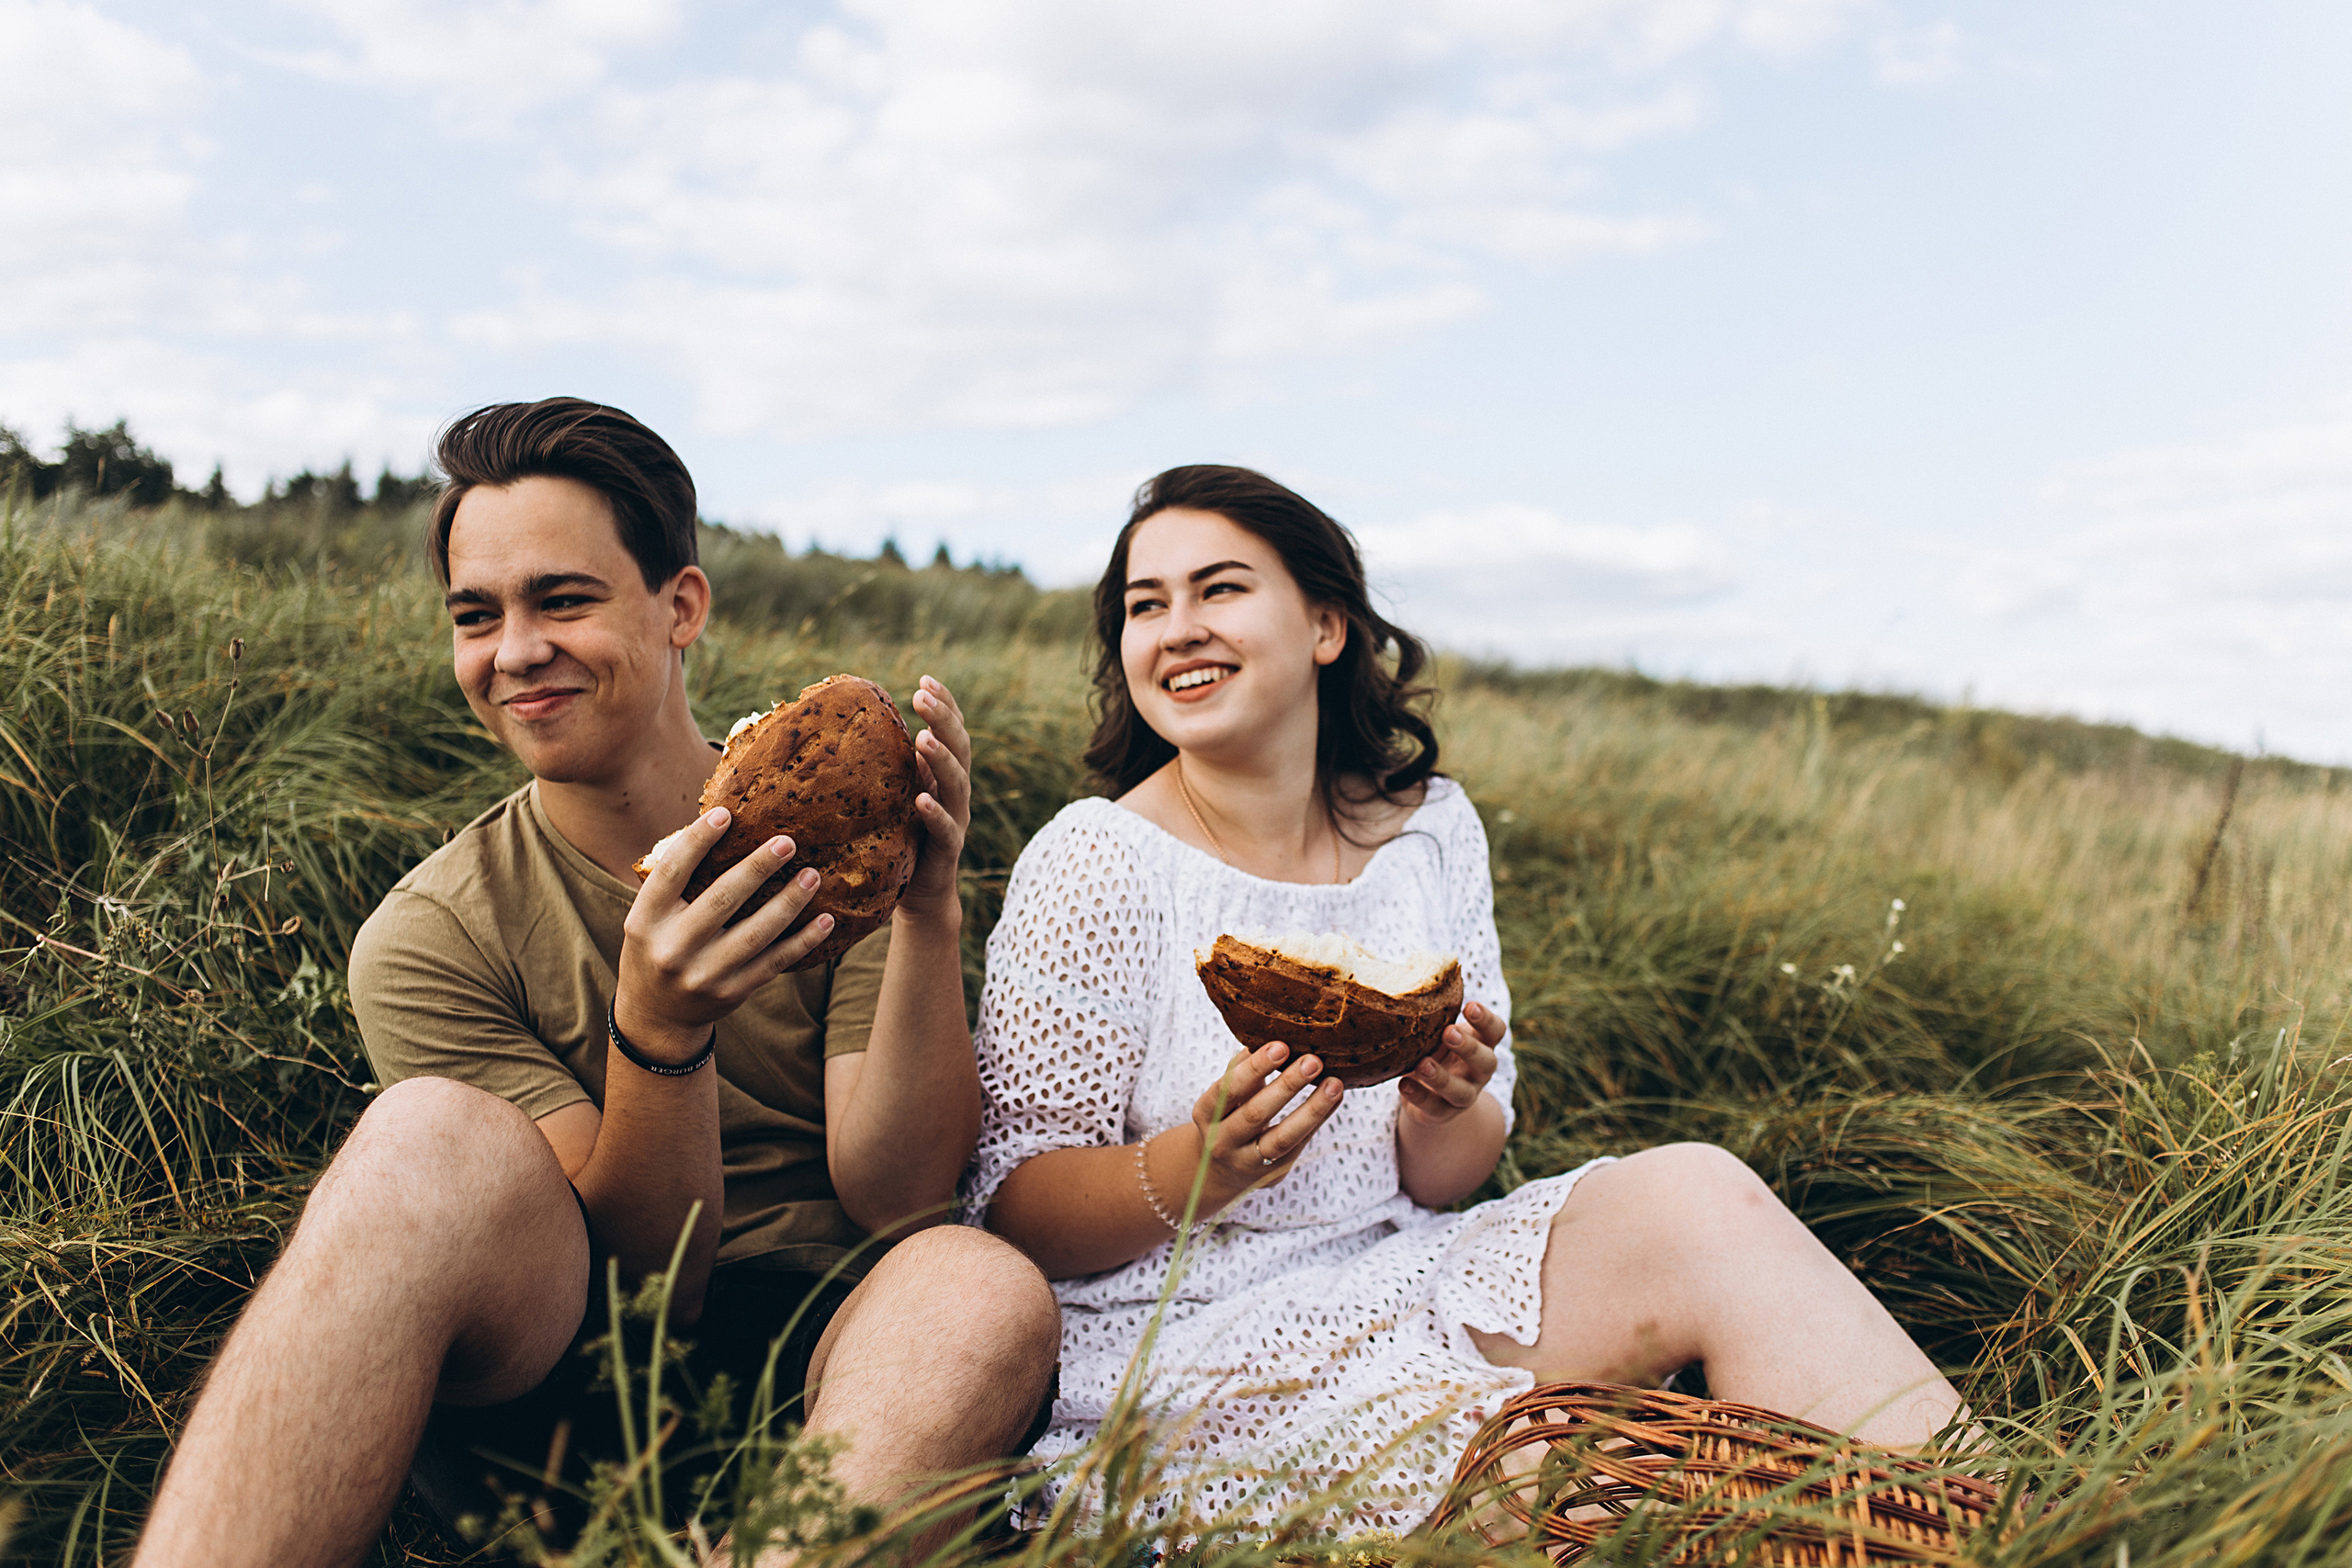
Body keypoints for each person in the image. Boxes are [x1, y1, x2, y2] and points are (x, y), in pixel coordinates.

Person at [135, 399, 1059, 1568]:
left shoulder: (826, 843)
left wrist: (927, 909)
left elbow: (899, 1197)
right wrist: (660, 1033)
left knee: (976, 1283)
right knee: (421, 1135)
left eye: (562, 600)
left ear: (681, 606)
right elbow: (648, 1293)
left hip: (852, 1380)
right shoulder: (432, 934)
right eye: (477, 614)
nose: (515, 650)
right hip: (568, 1386)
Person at [965, 465, 1963, 1530]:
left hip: (1401, 1277)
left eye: (1220, 589)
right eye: (1145, 605)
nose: (1178, 630)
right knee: (1613, 1493)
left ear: (1325, 626)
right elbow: (1009, 1209)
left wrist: (1444, 1104)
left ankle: (2012, 1520)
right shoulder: (1097, 857)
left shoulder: (1428, 830)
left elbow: (1444, 1178)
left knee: (1700, 1197)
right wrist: (1195, 1169)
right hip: (1176, 1344)